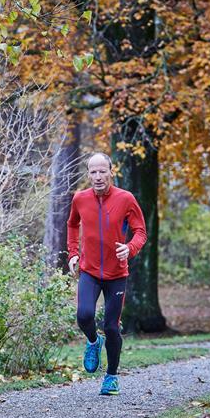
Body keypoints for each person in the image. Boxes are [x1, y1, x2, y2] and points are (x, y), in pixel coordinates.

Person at [66, 152, 147, 396]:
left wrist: (130, 248)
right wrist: (72, 254)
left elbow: (140, 231)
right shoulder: (80, 199)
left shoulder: (126, 199)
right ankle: (93, 342)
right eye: (93, 172)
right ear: (88, 174)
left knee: (111, 327)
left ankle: (111, 377)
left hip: (116, 273)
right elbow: (72, 224)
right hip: (89, 269)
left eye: (103, 171)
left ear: (111, 171)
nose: (98, 176)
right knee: (84, 315)